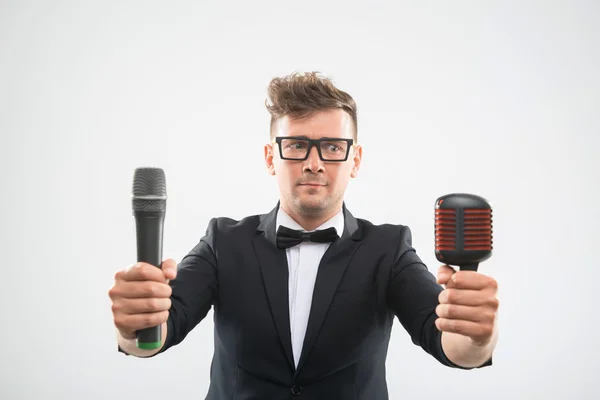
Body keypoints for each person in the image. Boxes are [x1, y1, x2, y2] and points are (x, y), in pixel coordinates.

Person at [108, 71, 499, 399]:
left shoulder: (389, 249)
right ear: (270, 157)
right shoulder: (223, 241)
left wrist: (477, 336)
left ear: (355, 160)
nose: (314, 164)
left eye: (332, 146)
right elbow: (156, 333)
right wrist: (133, 326)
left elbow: (451, 344)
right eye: (296, 145)